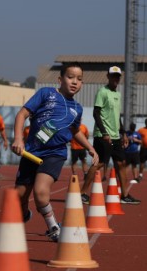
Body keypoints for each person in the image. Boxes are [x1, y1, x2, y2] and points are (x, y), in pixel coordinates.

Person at [11, 62, 98, 242]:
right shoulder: (46, 94)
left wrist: (90, 148)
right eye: (70, 77)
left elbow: (75, 131)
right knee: (19, 196)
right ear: (60, 79)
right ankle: (25, 211)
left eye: (79, 79)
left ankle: (53, 227)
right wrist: (18, 139)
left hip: (54, 153)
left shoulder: (77, 109)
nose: (75, 82)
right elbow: (22, 115)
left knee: (41, 192)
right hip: (32, 152)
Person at [80, 66, 140, 205]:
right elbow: (96, 113)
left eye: (117, 76)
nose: (115, 78)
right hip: (103, 135)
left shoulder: (117, 95)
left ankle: (125, 195)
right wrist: (104, 132)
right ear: (108, 76)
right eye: (113, 76)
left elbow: (116, 117)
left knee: (121, 163)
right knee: (99, 163)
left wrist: (123, 133)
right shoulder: (102, 92)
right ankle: (82, 193)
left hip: (115, 136)